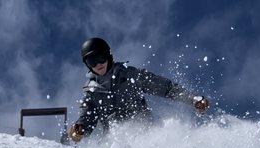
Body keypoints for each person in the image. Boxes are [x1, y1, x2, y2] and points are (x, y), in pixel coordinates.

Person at [68, 37, 209, 142]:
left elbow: (166, 88)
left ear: (108, 55)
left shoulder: (129, 75)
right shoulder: (91, 93)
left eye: (101, 57)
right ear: (88, 65)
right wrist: (80, 129)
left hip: (144, 133)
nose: (98, 64)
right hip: (115, 143)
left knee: (149, 141)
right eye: (92, 61)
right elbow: (87, 117)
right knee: (109, 144)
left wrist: (192, 99)